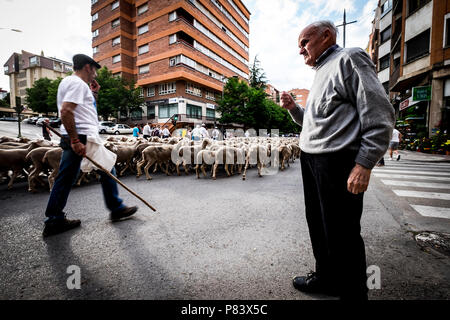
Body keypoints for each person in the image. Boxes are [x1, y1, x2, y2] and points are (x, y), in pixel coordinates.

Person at [281, 21, 394, 300]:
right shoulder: (320, 71)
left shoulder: (350, 58)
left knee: (342, 233)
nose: (301, 51)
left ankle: (353, 294)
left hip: (337, 161)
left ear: (326, 36)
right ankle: (326, 277)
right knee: (318, 223)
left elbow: (380, 113)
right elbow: (316, 120)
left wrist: (365, 162)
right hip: (312, 160)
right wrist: (295, 109)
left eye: (304, 42)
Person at [42, 53, 138, 237]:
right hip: (82, 136)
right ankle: (55, 219)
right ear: (88, 67)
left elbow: (83, 110)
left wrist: (94, 93)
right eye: (94, 69)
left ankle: (56, 217)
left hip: (84, 135)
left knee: (101, 169)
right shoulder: (77, 84)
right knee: (82, 174)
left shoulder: (72, 83)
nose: (95, 74)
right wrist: (75, 140)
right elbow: (66, 111)